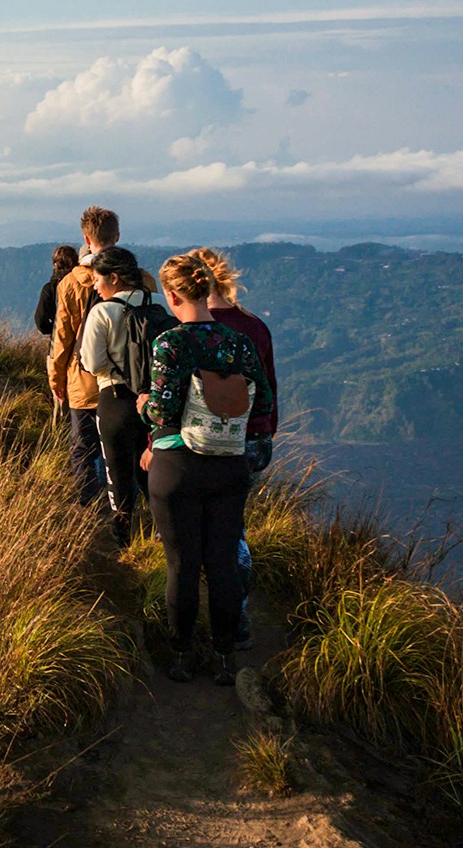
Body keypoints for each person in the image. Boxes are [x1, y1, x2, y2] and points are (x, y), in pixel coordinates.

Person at [138, 250, 272, 686]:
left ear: (174, 296)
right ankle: (224, 658)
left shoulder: (170, 344)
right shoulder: (239, 342)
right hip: (229, 465)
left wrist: (144, 405)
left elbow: (162, 413)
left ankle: (181, 656)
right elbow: (263, 401)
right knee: (221, 564)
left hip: (177, 467)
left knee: (181, 564)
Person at [199, 246, 279, 652]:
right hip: (253, 440)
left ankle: (224, 617)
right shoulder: (255, 327)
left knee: (216, 530)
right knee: (234, 525)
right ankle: (237, 613)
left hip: (212, 442)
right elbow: (269, 389)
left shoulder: (197, 330)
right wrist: (266, 435)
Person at [50, 206, 154, 512]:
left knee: (84, 448)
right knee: (132, 448)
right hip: (133, 382)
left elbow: (62, 338)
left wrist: (56, 379)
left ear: (86, 237)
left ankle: (91, 510)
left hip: (83, 381)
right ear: (117, 236)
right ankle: (139, 512)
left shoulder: (71, 282)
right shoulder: (143, 279)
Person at [77, 246, 155, 547]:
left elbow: (92, 363)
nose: (95, 286)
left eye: (98, 279)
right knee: (152, 469)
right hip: (155, 400)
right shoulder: (159, 303)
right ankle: (161, 532)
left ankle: (124, 538)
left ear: (113, 277)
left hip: (116, 396)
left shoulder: (103, 311)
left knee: (117, 472)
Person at [33, 245, 78, 338]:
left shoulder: (50, 288)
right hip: (81, 337)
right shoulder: (81, 285)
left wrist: (54, 329)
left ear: (55, 265)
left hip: (59, 338)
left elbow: (40, 320)